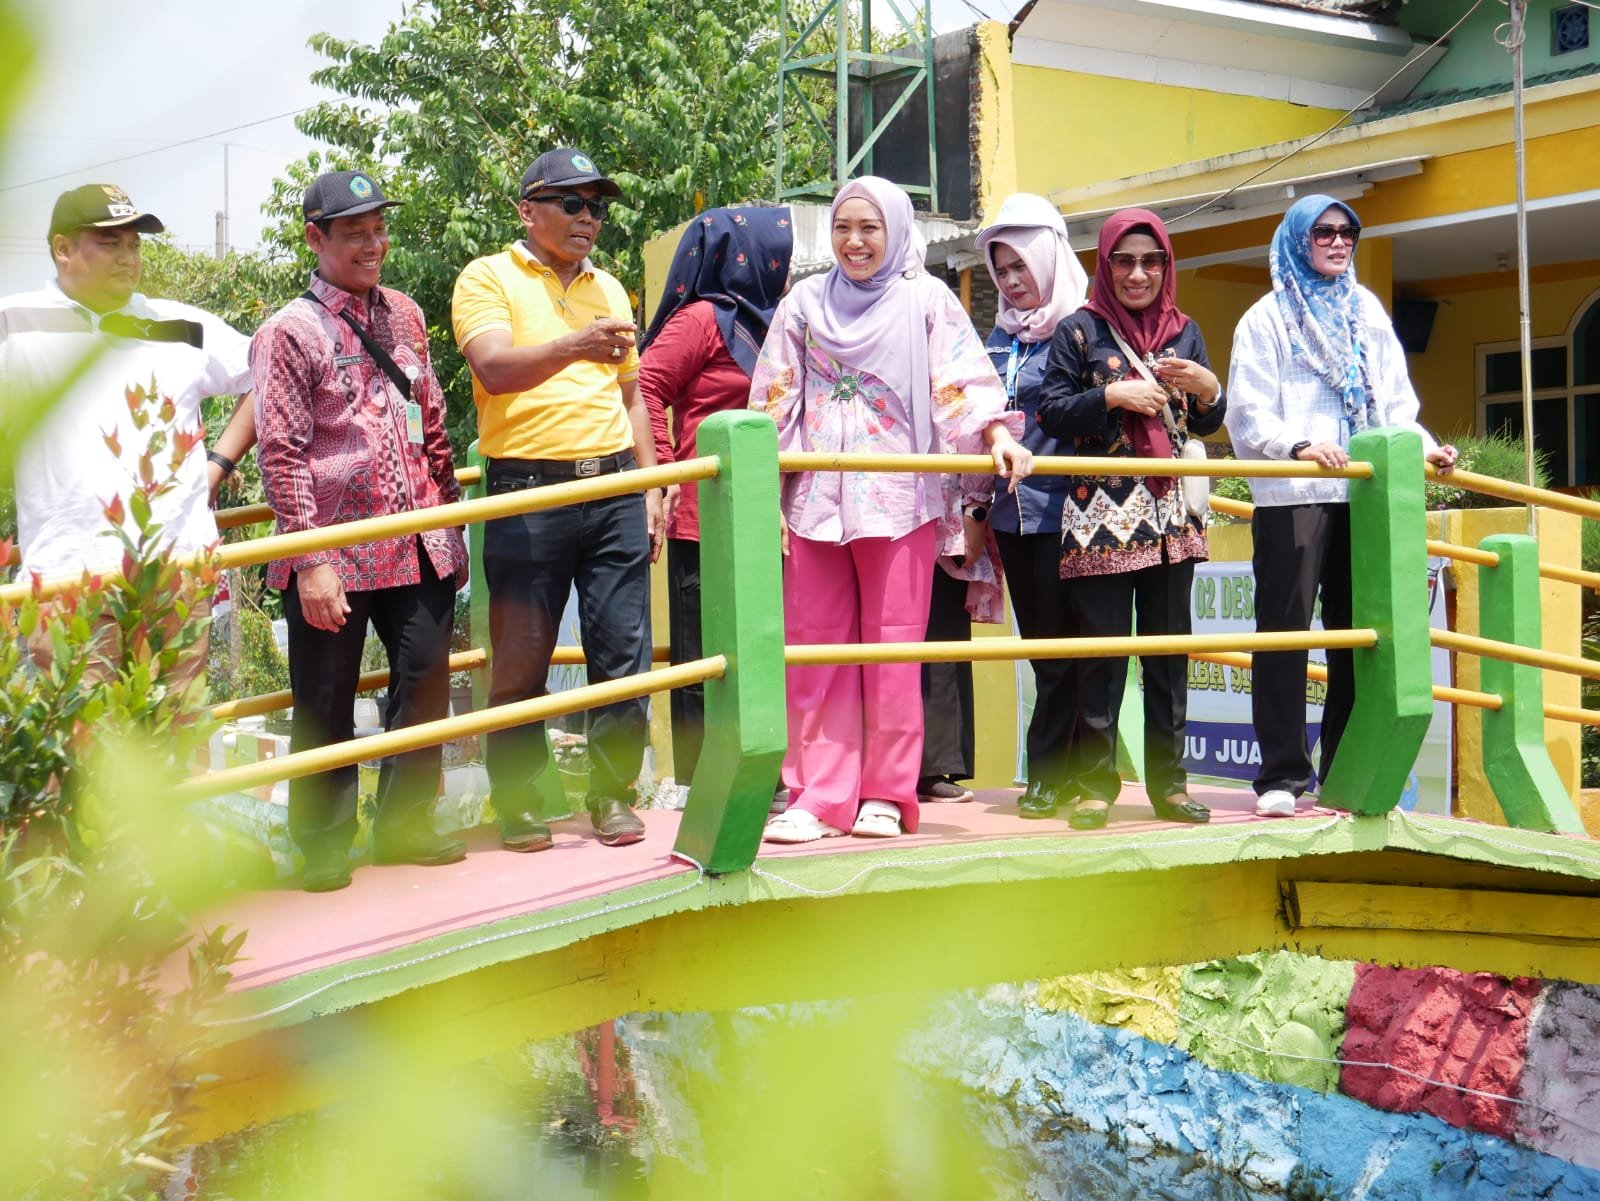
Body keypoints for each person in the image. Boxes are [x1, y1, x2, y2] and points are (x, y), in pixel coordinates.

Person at [753, 176, 1031, 843]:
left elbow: (962, 384)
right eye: (843, 227)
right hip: (816, 502)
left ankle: (884, 792)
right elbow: (773, 397)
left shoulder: (926, 300)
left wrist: (996, 436)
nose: (854, 241)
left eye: (869, 228)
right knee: (815, 652)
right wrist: (769, 494)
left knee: (893, 652)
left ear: (897, 231)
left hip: (901, 499)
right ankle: (816, 797)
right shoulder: (802, 305)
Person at [251, 170, 469, 892]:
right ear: (317, 239)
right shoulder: (289, 331)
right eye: (355, 232)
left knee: (426, 682)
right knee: (325, 699)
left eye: (379, 228)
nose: (373, 243)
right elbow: (279, 451)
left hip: (416, 539)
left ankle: (407, 824)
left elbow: (431, 418)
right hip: (334, 554)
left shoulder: (405, 314)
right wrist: (309, 559)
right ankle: (322, 843)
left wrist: (448, 525)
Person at [452, 147, 665, 853]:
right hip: (528, 488)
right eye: (572, 203)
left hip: (612, 489)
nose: (588, 218)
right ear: (527, 210)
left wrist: (651, 481)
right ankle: (518, 801)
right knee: (521, 657)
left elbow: (633, 395)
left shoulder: (610, 289)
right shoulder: (487, 277)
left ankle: (612, 794)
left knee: (622, 650)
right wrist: (576, 344)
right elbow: (492, 366)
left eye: (597, 206)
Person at [1225, 194, 1456, 819]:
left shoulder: (1366, 312)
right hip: (1296, 493)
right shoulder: (1266, 317)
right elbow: (1247, 412)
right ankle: (1280, 776)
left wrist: (1427, 449)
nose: (1337, 242)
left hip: (1365, 493)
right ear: (1298, 240)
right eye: (1323, 232)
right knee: (1285, 634)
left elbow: (1394, 405)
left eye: (1347, 232)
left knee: (1358, 638)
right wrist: (1297, 444)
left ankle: (1343, 769)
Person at [0, 183, 256, 691]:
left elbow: (272, 378)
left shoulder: (181, 324)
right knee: (82, 752)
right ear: (62, 248)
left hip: (176, 571)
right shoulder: (14, 324)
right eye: (110, 242)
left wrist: (218, 466)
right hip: (69, 577)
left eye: (134, 244)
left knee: (177, 743)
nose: (128, 257)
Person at [1037, 208, 1224, 830]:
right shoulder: (1079, 331)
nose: (1138, 273)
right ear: (1106, 264)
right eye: (1125, 260)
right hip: (1100, 514)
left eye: (1151, 261)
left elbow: (1200, 425)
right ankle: (1096, 787)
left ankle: (1171, 787)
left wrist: (1208, 389)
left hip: (1172, 515)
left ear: (1166, 266)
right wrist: (1112, 396)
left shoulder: (1185, 329)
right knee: (1103, 655)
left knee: (1170, 655)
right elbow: (1052, 412)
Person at [639, 206, 794, 793]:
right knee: (703, 654)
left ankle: (766, 777)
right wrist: (665, 470)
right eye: (776, 252)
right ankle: (703, 779)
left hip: (769, 516)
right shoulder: (704, 318)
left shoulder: (781, 319)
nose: (784, 266)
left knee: (763, 650)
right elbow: (647, 384)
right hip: (703, 516)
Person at [971, 192, 1090, 818]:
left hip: (1076, 511)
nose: (1013, 281)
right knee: (1045, 647)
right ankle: (1055, 769)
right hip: (1014, 516)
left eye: (1022, 265)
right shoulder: (999, 341)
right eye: (1002, 270)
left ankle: (1064, 771)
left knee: (1077, 645)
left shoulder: (1087, 330)